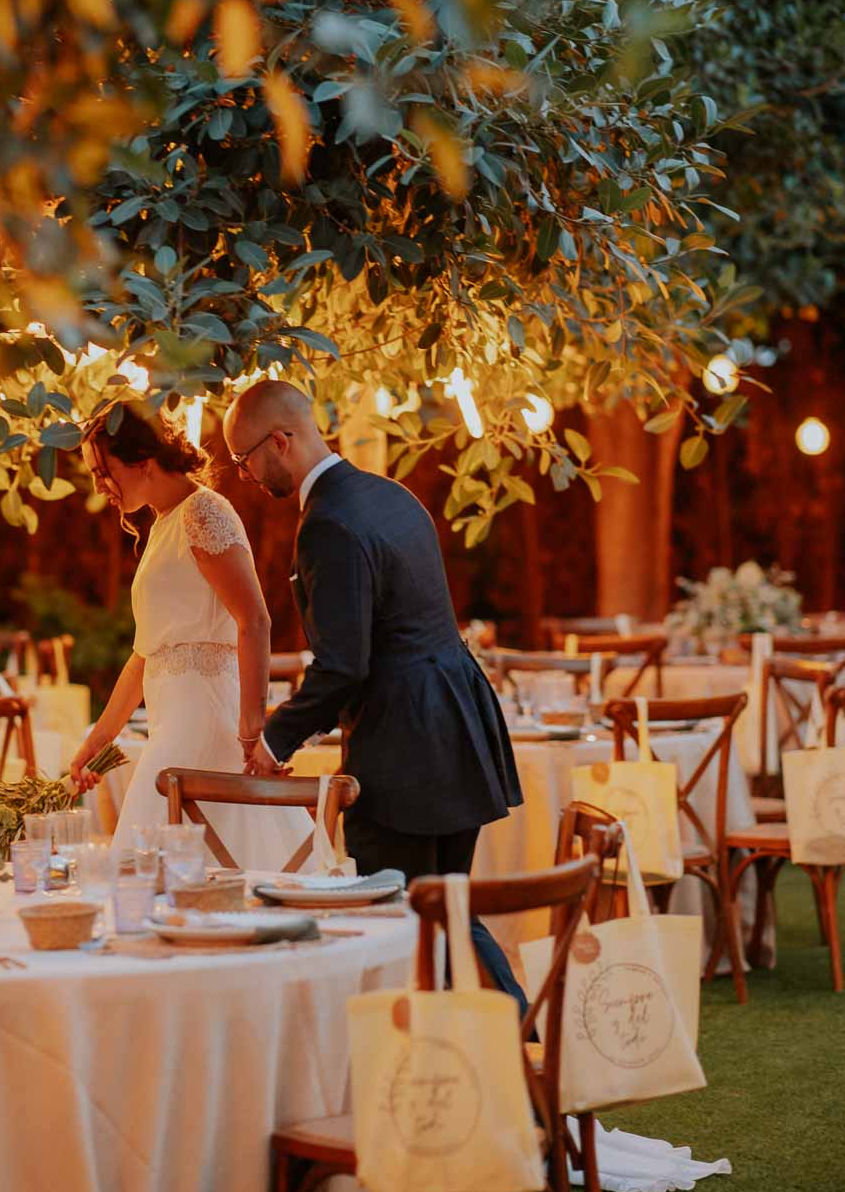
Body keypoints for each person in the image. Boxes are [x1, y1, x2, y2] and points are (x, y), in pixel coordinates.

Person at [223, 378, 524, 1002]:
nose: (245, 475)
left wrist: (276, 739)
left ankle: (535, 1067)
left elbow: (344, 667)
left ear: (280, 440)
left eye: (244, 458)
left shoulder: (328, 524)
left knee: (419, 919)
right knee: (444, 918)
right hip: (457, 723)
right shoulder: (389, 494)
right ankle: (506, 1078)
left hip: (405, 748)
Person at [68, 400, 311, 868]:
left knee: (179, 872)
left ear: (142, 458)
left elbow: (255, 621)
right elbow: (146, 656)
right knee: (161, 876)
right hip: (172, 726)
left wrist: (252, 728)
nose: (100, 485)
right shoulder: (164, 523)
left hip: (206, 725)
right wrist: (95, 742)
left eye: (103, 470)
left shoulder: (205, 513)